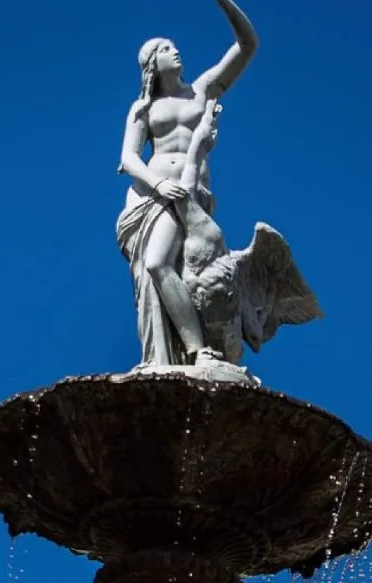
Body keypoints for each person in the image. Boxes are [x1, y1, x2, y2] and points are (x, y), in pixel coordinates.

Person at [116, 0, 258, 366]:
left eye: (173, 45)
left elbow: (248, 45)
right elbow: (129, 158)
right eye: (163, 48)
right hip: (155, 195)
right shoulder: (143, 108)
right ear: (151, 65)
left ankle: (197, 350)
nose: (174, 50)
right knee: (156, 266)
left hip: (191, 193)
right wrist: (158, 185)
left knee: (180, 272)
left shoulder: (203, 89)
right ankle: (195, 351)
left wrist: (224, 3)